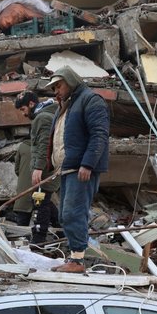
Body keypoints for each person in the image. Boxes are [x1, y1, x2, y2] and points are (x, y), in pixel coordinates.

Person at [42, 66, 110, 273]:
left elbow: (99, 134)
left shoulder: (90, 100)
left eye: (58, 86)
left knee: (73, 213)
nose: (55, 91)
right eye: (53, 87)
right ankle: (75, 257)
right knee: (65, 214)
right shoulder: (67, 106)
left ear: (70, 81)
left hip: (81, 168)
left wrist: (87, 164)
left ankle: (78, 261)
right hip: (68, 169)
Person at [13, 90, 59, 244]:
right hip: (46, 170)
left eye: (23, 109)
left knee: (40, 204)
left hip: (44, 171)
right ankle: (61, 229)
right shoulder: (44, 116)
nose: (23, 114)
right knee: (44, 202)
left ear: (31, 104)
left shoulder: (43, 118)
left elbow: (44, 144)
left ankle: (39, 241)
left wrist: (38, 167)